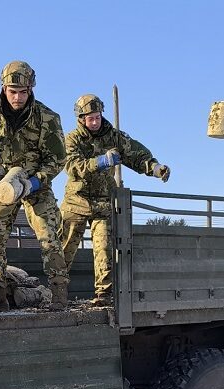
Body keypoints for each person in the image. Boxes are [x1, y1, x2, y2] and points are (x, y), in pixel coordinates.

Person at [0, 60, 68, 310]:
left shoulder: (47, 117)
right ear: (3, 88)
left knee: (48, 235)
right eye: (13, 92)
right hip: (2, 181)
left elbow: (57, 158)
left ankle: (59, 293)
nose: (18, 98)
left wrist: (36, 181)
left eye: (23, 92)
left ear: (31, 89)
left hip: (35, 181)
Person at [60, 94, 170, 306]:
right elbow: (72, 166)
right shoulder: (72, 139)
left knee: (104, 251)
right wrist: (100, 162)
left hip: (103, 203)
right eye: (90, 118)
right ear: (81, 119)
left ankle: (104, 295)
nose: (94, 122)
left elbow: (136, 154)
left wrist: (155, 168)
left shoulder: (114, 137)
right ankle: (57, 294)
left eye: (97, 117)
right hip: (76, 202)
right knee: (63, 251)